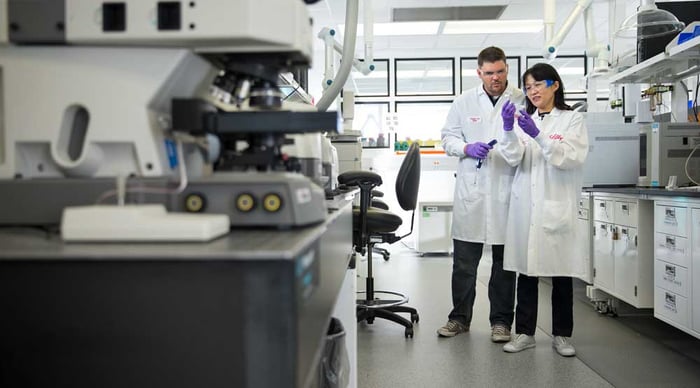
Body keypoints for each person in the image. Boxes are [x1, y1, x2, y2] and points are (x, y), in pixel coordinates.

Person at [498, 63, 589, 357]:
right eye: (528, 87)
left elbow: (570, 158)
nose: (532, 91)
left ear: (555, 85)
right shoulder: (527, 120)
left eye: (538, 84)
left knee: (561, 273)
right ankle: (525, 333)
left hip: (556, 203)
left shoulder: (573, 120)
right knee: (527, 273)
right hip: (527, 206)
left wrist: (538, 135)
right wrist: (510, 131)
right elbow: (513, 158)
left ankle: (562, 335)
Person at [437, 47, 524, 342]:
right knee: (463, 264)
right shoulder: (463, 101)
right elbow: (447, 136)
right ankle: (459, 318)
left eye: (500, 71)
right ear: (479, 73)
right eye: (489, 73)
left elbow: (526, 142)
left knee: (504, 266)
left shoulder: (521, 100)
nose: (495, 78)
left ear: (507, 69)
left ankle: (501, 322)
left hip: (506, 191)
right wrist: (465, 148)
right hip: (471, 191)